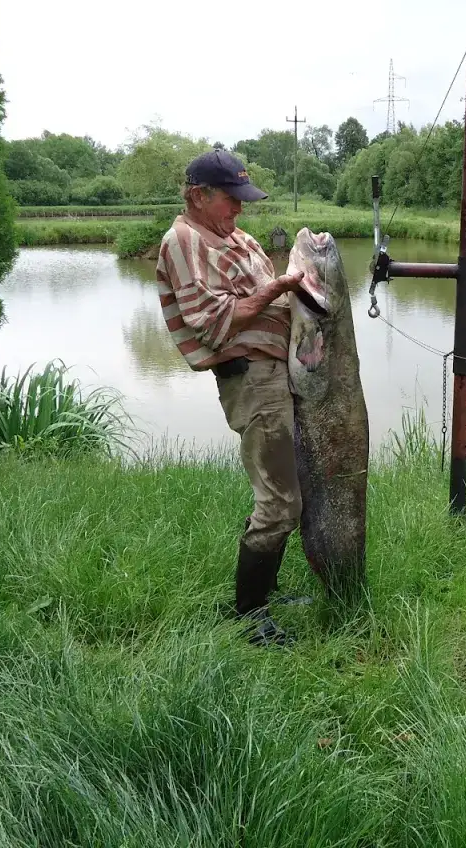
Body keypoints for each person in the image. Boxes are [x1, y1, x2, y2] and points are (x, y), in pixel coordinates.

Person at [154, 149, 305, 646]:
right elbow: (208, 320)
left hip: (279, 372)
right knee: (280, 499)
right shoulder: (182, 240)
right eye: (230, 199)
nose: (240, 209)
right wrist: (275, 291)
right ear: (198, 196)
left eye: (243, 199)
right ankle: (248, 616)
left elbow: (272, 297)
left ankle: (267, 592)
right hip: (252, 377)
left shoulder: (235, 236)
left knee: (283, 491)